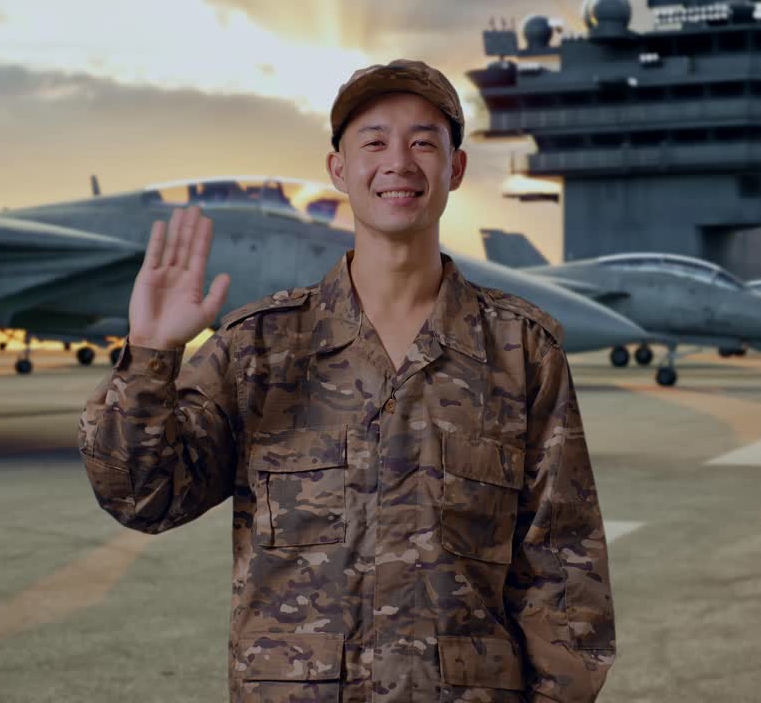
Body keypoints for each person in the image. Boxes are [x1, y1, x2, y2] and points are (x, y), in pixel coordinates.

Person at [78, 59, 615, 701]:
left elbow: (566, 575)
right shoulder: (259, 349)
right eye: (374, 142)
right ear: (338, 170)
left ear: (456, 169)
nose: (399, 163)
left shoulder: (520, 352)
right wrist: (150, 354)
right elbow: (144, 497)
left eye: (424, 142)